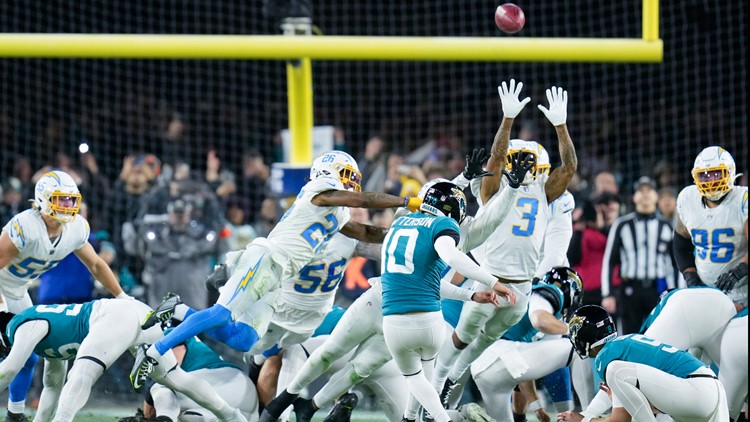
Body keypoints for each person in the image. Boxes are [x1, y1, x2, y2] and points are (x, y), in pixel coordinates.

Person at [259, 150, 534, 422]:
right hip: (402, 305)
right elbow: (470, 217)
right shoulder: (439, 227)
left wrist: (467, 180)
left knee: (358, 366)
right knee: (350, 360)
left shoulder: (409, 217)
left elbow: (448, 204)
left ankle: (308, 405)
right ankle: (290, 400)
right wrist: (507, 188)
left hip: (396, 304)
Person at [130, 150, 423, 392]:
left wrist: (411, 227)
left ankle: (179, 310)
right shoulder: (316, 190)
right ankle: (154, 352)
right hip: (268, 258)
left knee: (245, 340)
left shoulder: (338, 212)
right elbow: (363, 200)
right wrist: (407, 201)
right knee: (222, 314)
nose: (351, 184)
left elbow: (367, 231)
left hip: (280, 278)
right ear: (328, 171)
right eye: (347, 175)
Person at [434, 80, 578, 404]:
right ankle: (438, 383)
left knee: (483, 344)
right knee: (462, 339)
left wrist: (561, 126)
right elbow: (496, 159)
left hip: (523, 289)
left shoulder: (545, 191)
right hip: (491, 280)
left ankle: (450, 381)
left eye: (530, 163)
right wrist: (507, 120)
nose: (525, 168)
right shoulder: (493, 189)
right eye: (520, 161)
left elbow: (569, 167)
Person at [379, 181, 516, 422]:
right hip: (430, 321)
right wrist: (492, 282)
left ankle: (426, 418)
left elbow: (422, 280)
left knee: (415, 378)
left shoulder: (398, 223)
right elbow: (451, 256)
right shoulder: (442, 224)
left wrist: (471, 295)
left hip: (393, 319)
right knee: (424, 376)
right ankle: (418, 418)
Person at [0, 170, 128, 421]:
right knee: (13, 356)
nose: (67, 206)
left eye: (71, 200)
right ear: (44, 199)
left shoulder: (75, 229)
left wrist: (122, 296)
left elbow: (96, 265)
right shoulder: (25, 226)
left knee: (28, 356)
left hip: (17, 290)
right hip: (2, 289)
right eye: (61, 200)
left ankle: (15, 414)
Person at [0, 299, 246, 422]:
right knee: (176, 379)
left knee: (82, 374)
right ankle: (234, 417)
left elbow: (10, 369)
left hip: (113, 316)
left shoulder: (19, 324)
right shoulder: (44, 338)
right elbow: (52, 386)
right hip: (135, 313)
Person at [557, 305, 729, 422]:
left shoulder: (607, 356)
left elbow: (619, 421)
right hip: (709, 391)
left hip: (696, 392)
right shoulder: (625, 344)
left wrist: (584, 419)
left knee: (615, 372)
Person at [470, 267, 586, 421]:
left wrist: (536, 406)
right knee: (578, 346)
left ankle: (460, 415)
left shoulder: (527, 299)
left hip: (483, 368)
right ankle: (588, 412)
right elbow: (540, 321)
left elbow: (520, 370)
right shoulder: (547, 292)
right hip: (501, 354)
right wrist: (572, 331)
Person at [120, 328, 258, 422]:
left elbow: (166, 374)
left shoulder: (166, 335)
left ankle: (165, 418)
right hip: (242, 397)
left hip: (225, 382)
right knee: (190, 417)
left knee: (161, 386)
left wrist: (147, 416)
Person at [600, 176, 680, 334]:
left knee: (658, 335)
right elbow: (609, 260)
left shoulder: (666, 226)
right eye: (640, 191)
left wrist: (676, 292)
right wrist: (607, 294)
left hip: (657, 289)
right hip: (630, 290)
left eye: (649, 190)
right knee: (629, 336)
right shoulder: (622, 225)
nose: (645, 195)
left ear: (656, 196)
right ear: (634, 197)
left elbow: (676, 263)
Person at [672, 146, 748, 306]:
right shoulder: (687, 198)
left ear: (730, 172)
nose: (711, 180)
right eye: (705, 175)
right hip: (704, 292)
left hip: (742, 293)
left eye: (716, 173)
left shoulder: (743, 200)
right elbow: (681, 246)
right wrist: (690, 277)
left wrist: (739, 272)